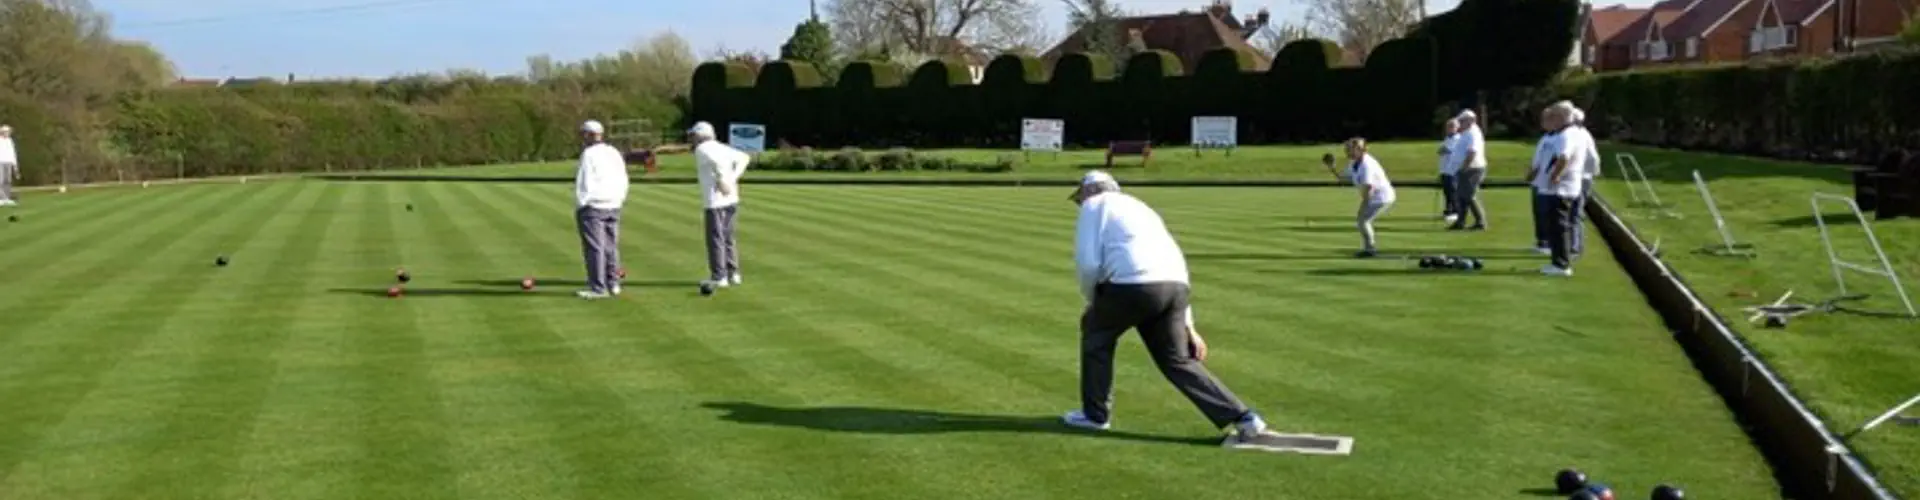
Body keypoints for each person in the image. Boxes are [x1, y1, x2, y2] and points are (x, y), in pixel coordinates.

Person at [1062, 170, 1270, 443]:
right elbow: (1175, 261)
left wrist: (1093, 303)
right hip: (1174, 288)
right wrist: (1188, 325)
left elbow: (1088, 263)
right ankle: (1244, 417)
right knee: (1176, 360)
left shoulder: (1094, 205)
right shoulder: (1142, 208)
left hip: (1131, 285)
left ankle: (1095, 416)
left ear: (1089, 191)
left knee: (1096, 337)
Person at [1526, 102, 1591, 277]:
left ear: (1562, 117)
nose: (1551, 119)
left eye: (1554, 116)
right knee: (1555, 226)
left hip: (1561, 189)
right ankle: (1558, 262)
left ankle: (1561, 265)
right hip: (1555, 188)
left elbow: (1563, 157)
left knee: (1559, 226)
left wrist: (1555, 176)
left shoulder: (1568, 135)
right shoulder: (1562, 134)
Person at [573, 120, 630, 299]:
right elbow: (623, 177)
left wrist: (581, 203)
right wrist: (620, 198)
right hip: (613, 203)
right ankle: (613, 284)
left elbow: (584, 180)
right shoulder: (613, 151)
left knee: (595, 247)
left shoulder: (588, 154)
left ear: (588, 135)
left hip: (594, 204)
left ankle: (598, 287)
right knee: (611, 246)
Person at [689, 121, 751, 289]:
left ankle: (719, 276)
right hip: (732, 199)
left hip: (715, 201)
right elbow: (745, 158)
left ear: (699, 136)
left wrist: (724, 179)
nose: (691, 139)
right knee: (728, 237)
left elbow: (715, 161)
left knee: (716, 238)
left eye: (693, 136)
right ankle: (733, 274)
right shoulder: (722, 147)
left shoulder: (702, 150)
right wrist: (732, 178)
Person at [1345, 138, 1397, 258]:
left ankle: (1370, 249)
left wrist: (1364, 205)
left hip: (1381, 197)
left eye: (1349, 149)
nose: (1347, 152)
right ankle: (1369, 248)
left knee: (1363, 220)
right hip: (1374, 196)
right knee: (1362, 220)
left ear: (1359, 150)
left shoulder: (1367, 165)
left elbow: (1369, 187)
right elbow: (1343, 178)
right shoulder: (1354, 163)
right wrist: (1331, 167)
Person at [1563, 105, 1600, 257]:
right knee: (1572, 213)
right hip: (1579, 177)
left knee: (1575, 213)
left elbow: (1593, 158)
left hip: (1580, 178)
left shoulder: (1581, 135)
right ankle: (1572, 245)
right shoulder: (1578, 134)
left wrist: (1588, 174)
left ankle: (1575, 247)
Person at [1447, 111, 1489, 231]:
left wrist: (1465, 167)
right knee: (1462, 195)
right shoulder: (1466, 132)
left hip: (1473, 168)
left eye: (1462, 121)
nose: (1460, 123)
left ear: (1470, 120)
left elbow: (1472, 152)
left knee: (1469, 195)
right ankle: (1461, 221)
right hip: (1466, 167)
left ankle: (1480, 221)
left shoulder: (1473, 133)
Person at [1436, 119, 1461, 224]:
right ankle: (1448, 210)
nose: (1449, 128)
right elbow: (1440, 150)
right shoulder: (1447, 138)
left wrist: (1442, 150)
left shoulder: (1457, 139)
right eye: (1448, 126)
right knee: (1446, 192)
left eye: (1452, 126)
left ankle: (1456, 211)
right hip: (1444, 169)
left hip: (1452, 170)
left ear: (1457, 128)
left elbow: (1445, 150)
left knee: (1452, 191)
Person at [0, 125, 17, 206]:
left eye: (8, 132)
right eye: (6, 132)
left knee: (8, 181)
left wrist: (15, 164)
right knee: (1, 180)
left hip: (9, 163)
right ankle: (1, 198)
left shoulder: (10, 141)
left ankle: (7, 198)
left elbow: (12, 153)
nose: (8, 133)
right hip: (1, 162)